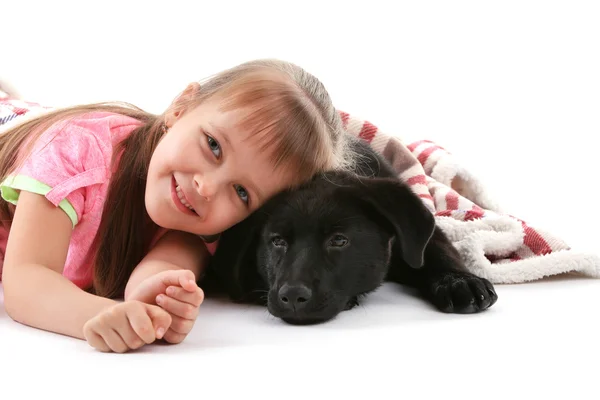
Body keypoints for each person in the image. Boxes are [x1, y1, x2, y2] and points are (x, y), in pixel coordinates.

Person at [0, 59, 356, 353]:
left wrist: (154, 303)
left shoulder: (200, 227)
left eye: (242, 192)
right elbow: (25, 281)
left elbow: (162, 268)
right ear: (181, 107)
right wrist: (105, 314)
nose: (206, 187)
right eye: (213, 146)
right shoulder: (79, 151)